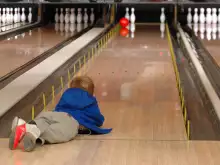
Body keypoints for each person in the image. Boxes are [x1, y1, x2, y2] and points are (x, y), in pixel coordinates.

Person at [9, 76, 112, 152]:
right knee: (60, 132)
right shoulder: (90, 100)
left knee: (44, 120)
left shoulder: (67, 95)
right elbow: (98, 119)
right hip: (71, 120)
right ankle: (35, 133)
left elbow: (58, 108)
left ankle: (26, 126)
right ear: (90, 92)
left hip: (55, 113)